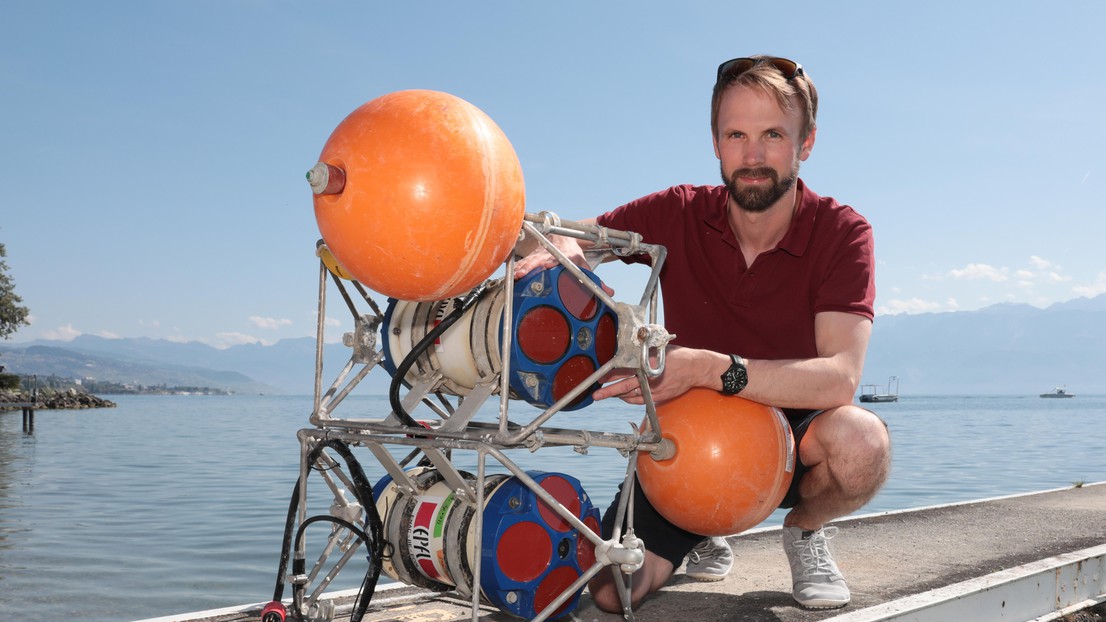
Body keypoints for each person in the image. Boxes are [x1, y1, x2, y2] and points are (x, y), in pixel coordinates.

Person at [513, 55, 892, 612]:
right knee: (613, 595)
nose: (753, 155)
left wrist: (710, 367)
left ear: (806, 143)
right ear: (716, 143)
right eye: (736, 134)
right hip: (693, 447)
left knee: (862, 445)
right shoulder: (678, 212)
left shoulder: (843, 232)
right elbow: (559, 237)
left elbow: (840, 378)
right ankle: (704, 528)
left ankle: (806, 531)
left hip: (797, 441)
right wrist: (561, 245)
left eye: (773, 135)